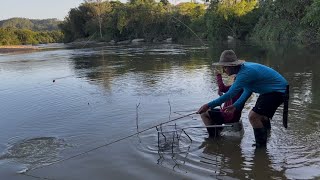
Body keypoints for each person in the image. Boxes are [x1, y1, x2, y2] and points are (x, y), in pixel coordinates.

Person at [197, 50, 289, 147]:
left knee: (253, 116)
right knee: (260, 116)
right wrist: (236, 105)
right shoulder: (243, 71)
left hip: (279, 90)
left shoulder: (244, 74)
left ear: (232, 66)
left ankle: (261, 148)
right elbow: (247, 90)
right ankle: (265, 141)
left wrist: (208, 105)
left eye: (225, 68)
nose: (223, 71)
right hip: (271, 90)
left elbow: (229, 94)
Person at [200, 68, 244, 138]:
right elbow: (224, 90)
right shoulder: (240, 88)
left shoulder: (237, 88)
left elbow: (222, 88)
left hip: (229, 116)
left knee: (203, 113)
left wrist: (218, 75)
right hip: (232, 115)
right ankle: (217, 130)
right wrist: (222, 95)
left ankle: (213, 136)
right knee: (210, 111)